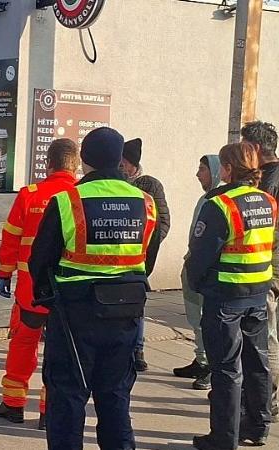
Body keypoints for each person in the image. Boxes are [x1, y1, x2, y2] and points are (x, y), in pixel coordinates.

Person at [29, 127, 160, 449]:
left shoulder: (67, 201)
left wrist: (47, 298)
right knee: (115, 396)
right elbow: (148, 258)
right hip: (126, 312)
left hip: (75, 313)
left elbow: (40, 260)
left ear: (84, 160)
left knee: (68, 397)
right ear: (119, 159)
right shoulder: (145, 202)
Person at [185, 142, 277, 450]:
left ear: (227, 169)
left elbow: (200, 255)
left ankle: (223, 438)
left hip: (225, 295)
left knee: (226, 368)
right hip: (258, 292)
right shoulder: (268, 201)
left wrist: (196, 283)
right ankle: (259, 426)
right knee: (257, 362)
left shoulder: (220, 204)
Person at [0, 138, 80, 430]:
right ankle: (49, 411)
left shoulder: (30, 195)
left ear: (48, 164)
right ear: (76, 165)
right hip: (67, 293)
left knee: (23, 345)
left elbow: (11, 239)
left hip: (30, 290)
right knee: (59, 351)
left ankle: (14, 404)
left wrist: (4, 273)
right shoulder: (80, 198)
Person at [241, 121, 279, 423]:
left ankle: (266, 401)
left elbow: (261, 223)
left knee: (264, 337)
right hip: (276, 263)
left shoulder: (269, 181)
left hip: (263, 267)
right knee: (265, 335)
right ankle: (262, 399)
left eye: (244, 147)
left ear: (256, 148)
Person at [120, 137, 171, 371]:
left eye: (123, 163)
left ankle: (137, 349)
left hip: (138, 258)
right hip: (116, 257)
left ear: (132, 164)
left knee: (137, 306)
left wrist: (146, 250)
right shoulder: (115, 183)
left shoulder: (149, 185)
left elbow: (162, 223)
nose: (120, 166)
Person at [174, 155, 222, 391]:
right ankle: (201, 359)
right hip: (193, 263)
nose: (197, 174)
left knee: (206, 319)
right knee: (195, 317)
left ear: (215, 172)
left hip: (208, 270)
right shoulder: (205, 198)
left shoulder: (218, 200)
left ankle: (211, 367)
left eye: (202, 169)